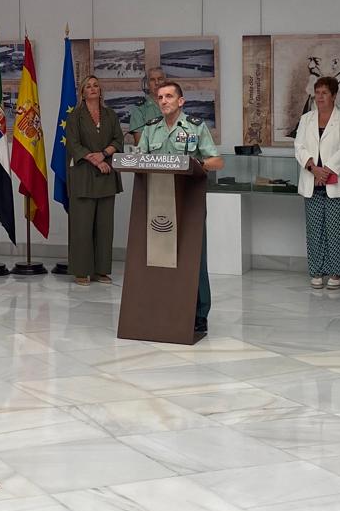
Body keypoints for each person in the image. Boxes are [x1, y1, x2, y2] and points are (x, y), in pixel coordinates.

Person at [134, 80, 223, 334]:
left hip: (189, 201)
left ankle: (199, 312)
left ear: (181, 101)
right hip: (157, 202)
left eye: (169, 96)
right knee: (158, 257)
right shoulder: (151, 129)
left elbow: (216, 161)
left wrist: (198, 164)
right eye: (160, 97)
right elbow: (139, 157)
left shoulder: (195, 127)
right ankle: (162, 305)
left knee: (194, 256)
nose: (163, 101)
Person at [293, 75, 340, 290]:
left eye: (324, 93)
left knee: (336, 230)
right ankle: (316, 271)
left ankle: (336, 273)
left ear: (334, 96)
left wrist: (326, 171)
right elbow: (299, 147)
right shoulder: (306, 119)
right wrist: (313, 168)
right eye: (317, 93)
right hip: (312, 181)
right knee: (315, 229)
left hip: (337, 184)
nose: (319, 97)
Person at [63, 75, 124, 286]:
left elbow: (118, 139)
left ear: (101, 90)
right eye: (88, 86)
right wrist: (97, 160)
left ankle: (101, 270)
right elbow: (73, 144)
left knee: (104, 227)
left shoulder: (110, 115)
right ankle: (81, 271)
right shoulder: (75, 117)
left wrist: (104, 153)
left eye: (96, 85)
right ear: (82, 92)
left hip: (107, 177)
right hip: (83, 176)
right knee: (82, 226)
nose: (92, 88)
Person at [126, 66, 167, 144]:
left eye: (160, 79)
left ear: (165, 82)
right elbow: (140, 143)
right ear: (148, 84)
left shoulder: (174, 105)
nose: (157, 83)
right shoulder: (140, 109)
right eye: (152, 80)